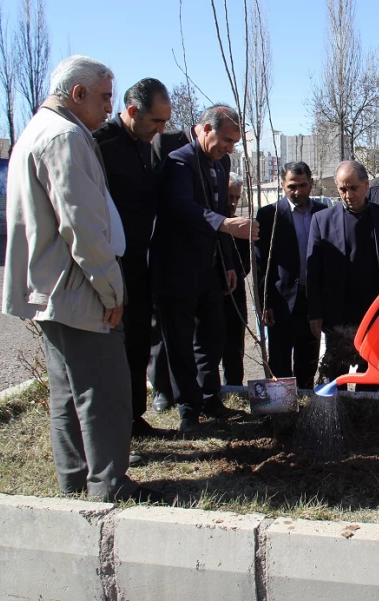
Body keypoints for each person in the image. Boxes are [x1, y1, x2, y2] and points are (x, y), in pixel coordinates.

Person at [2, 55, 161, 502]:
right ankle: (109, 483)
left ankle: (74, 478)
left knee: (67, 392)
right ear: (79, 94)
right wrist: (111, 288)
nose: (110, 107)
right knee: (104, 391)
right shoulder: (66, 137)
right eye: (106, 96)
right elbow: (83, 227)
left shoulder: (37, 131)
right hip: (80, 289)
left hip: (54, 289)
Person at [149, 106, 260, 436]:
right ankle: (188, 409)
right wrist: (226, 225)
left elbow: (217, 211)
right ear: (205, 129)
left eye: (234, 143)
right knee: (180, 342)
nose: (230, 148)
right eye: (226, 140)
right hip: (177, 270)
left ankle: (212, 399)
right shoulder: (178, 162)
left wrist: (227, 262)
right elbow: (183, 209)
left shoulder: (222, 163)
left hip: (211, 270)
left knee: (213, 337)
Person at [93, 78, 172, 438]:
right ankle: (111, 426)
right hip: (111, 262)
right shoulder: (100, 145)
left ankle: (134, 416)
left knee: (140, 339)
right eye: (156, 121)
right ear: (132, 111)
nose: (160, 129)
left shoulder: (146, 146)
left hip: (142, 261)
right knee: (112, 348)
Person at [308, 160, 379, 384]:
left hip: (374, 311)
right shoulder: (322, 221)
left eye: (353, 188)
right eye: (342, 188)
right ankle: (338, 414)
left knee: (370, 374)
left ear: (366, 185)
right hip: (337, 313)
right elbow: (313, 271)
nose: (348, 194)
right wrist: (315, 312)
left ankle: (367, 413)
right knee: (335, 374)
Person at [254, 162, 328, 390]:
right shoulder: (269, 216)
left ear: (311, 183)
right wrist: (264, 303)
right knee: (279, 362)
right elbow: (260, 264)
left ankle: (304, 408)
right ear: (282, 185)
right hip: (281, 302)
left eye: (303, 185)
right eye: (292, 186)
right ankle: (282, 414)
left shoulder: (324, 213)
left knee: (308, 361)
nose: (298, 191)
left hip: (313, 302)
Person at [222, 171, 251, 386]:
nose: (232, 203)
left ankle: (234, 386)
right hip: (212, 296)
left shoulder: (240, 227)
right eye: (228, 197)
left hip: (236, 297)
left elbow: (246, 265)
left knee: (234, 347)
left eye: (236, 198)